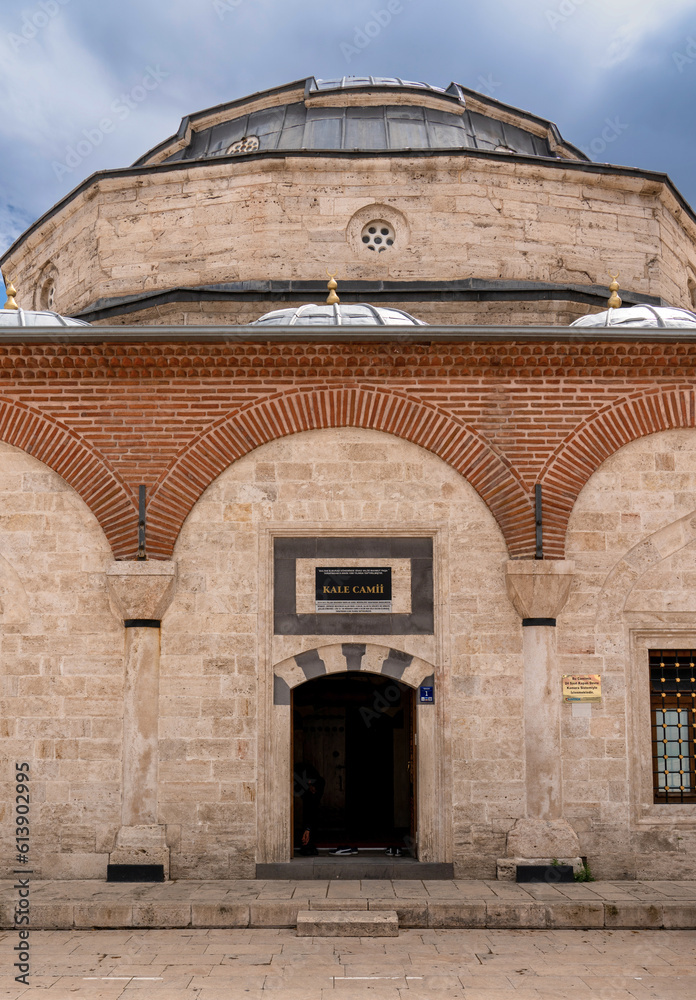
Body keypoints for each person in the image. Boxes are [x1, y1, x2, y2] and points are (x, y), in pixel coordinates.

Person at [293, 761, 325, 856]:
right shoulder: (301, 781)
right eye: (313, 789)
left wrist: (308, 829)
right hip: (300, 782)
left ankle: (308, 842)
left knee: (312, 811)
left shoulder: (319, 784)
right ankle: (306, 843)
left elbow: (312, 808)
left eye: (315, 790)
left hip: (308, 787)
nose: (313, 791)